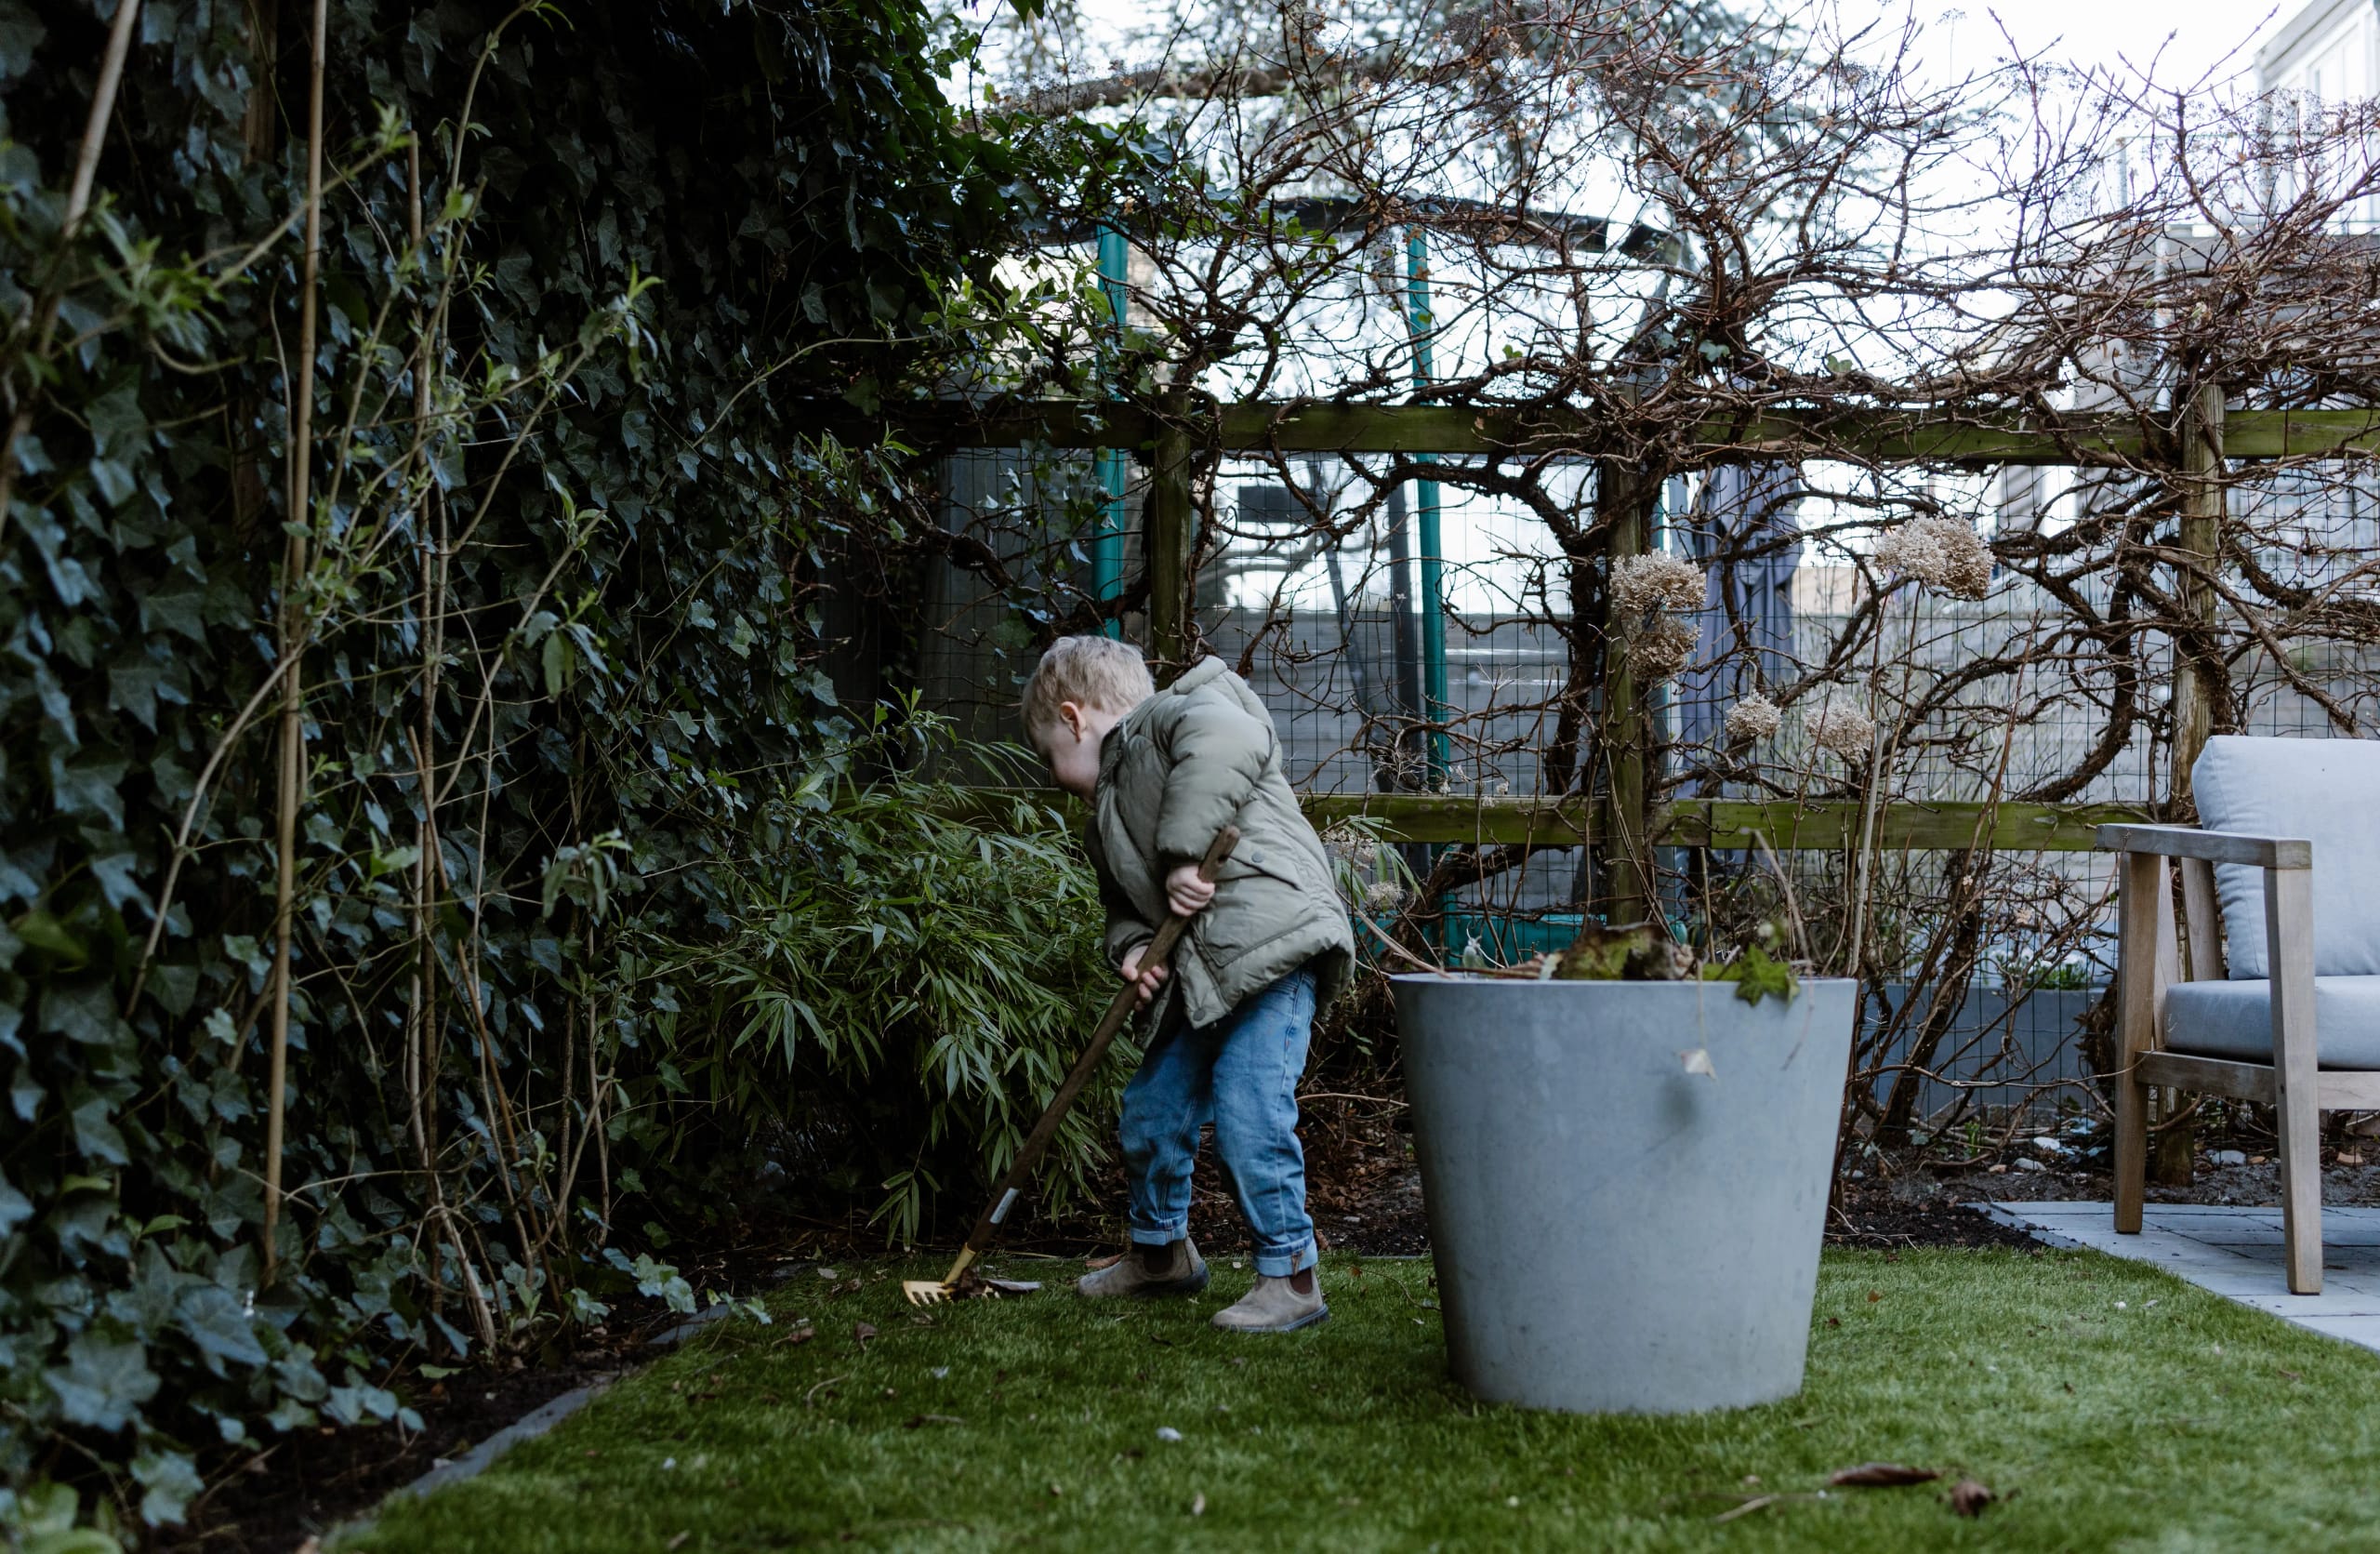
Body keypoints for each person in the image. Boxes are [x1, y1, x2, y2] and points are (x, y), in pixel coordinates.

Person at [1020, 636, 1355, 1333]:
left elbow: (1232, 740)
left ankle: (1291, 1275)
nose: (1058, 777)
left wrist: (1181, 853)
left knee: (1250, 1108)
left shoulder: (1181, 713)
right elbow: (1121, 906)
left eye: (1052, 756)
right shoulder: (1104, 821)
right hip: (1199, 978)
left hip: (1270, 947)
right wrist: (1136, 947)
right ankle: (1161, 1253)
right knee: (1152, 1109)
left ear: (1076, 719)